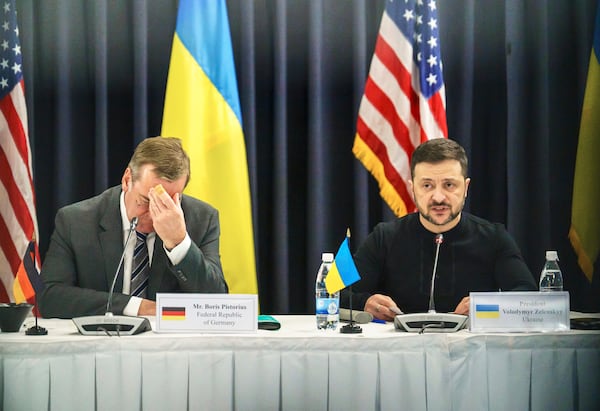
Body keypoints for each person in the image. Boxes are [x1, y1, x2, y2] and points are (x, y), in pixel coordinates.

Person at [343, 138, 537, 321]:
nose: (438, 197)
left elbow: (528, 298)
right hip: (401, 352)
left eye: (449, 185)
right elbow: (335, 293)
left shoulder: (494, 237)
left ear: (466, 187)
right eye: (427, 185)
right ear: (412, 189)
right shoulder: (384, 237)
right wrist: (365, 303)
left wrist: (485, 307)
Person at [38, 137, 228, 318]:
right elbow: (50, 298)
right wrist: (135, 306)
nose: (156, 215)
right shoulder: (76, 221)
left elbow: (216, 303)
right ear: (127, 179)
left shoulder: (202, 219)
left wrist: (178, 243)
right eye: (146, 200)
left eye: (168, 203)